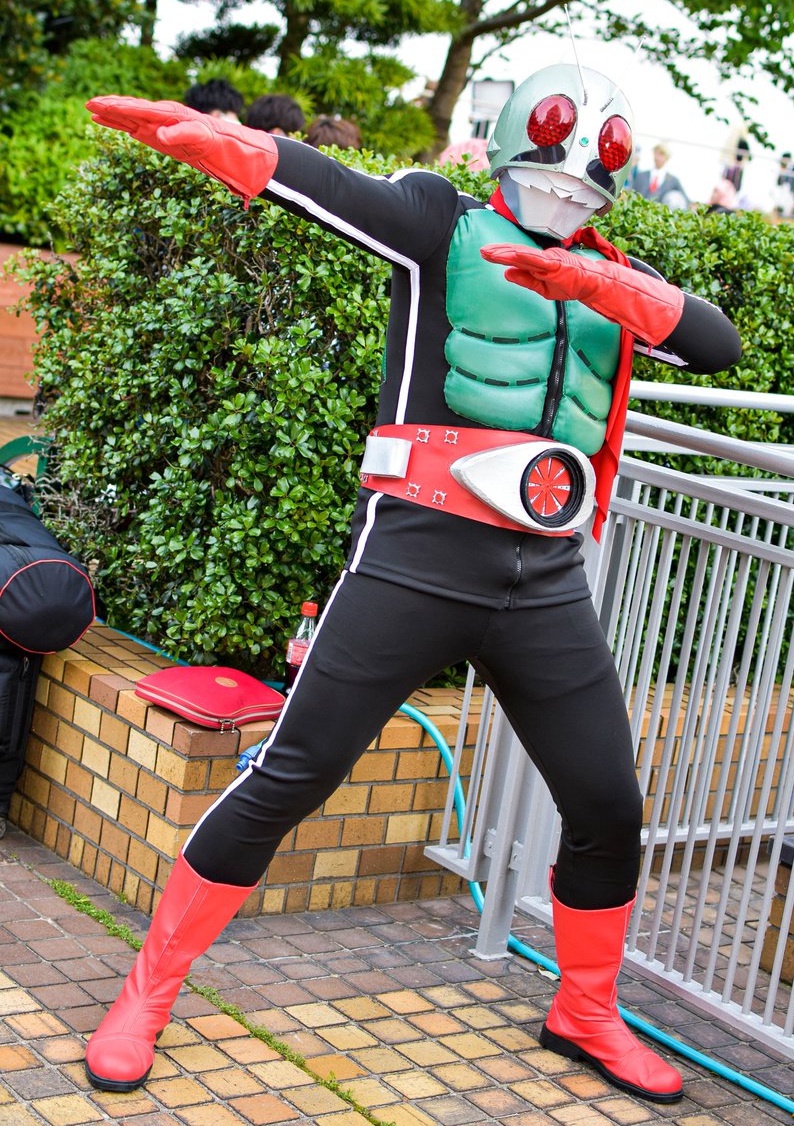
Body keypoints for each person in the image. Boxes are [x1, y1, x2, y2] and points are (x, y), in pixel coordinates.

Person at [83, 65, 741, 1103]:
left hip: (544, 577)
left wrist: (604, 288)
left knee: (608, 805)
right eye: (553, 150)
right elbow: (330, 187)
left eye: (590, 168)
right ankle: (145, 994)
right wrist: (229, 143)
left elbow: (716, 343)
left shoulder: (619, 276)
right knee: (293, 773)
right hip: (413, 558)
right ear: (511, 139)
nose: (567, 182)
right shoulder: (442, 225)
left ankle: (583, 1011)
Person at [632, 142, 689, 209]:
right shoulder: (641, 176)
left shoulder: (673, 181)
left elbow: (685, 199)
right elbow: (631, 193)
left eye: (661, 155)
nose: (657, 157)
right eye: (656, 154)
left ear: (667, 157)